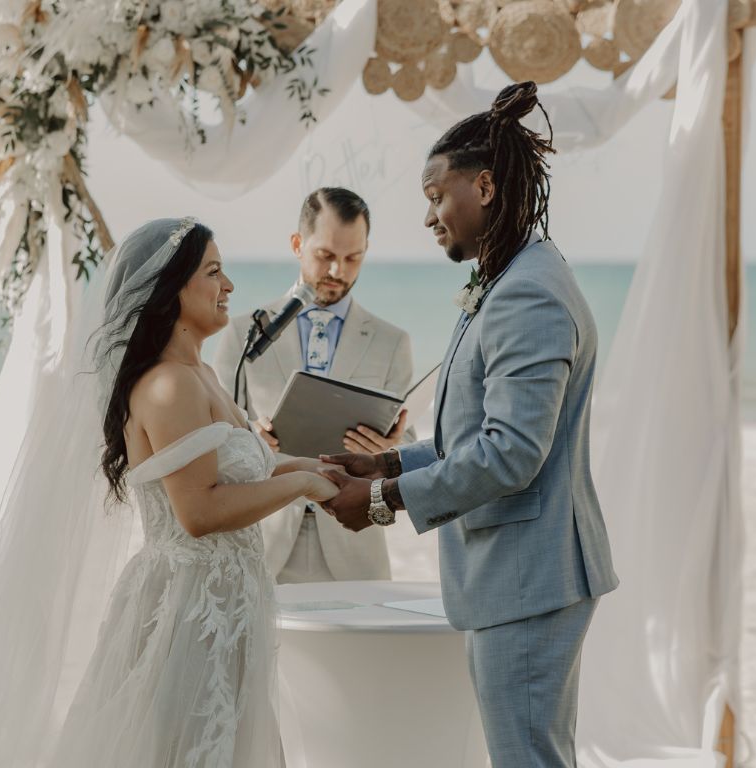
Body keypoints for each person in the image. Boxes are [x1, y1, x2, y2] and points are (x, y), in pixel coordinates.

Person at [0, 218, 337, 768]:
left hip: (230, 604)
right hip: (189, 608)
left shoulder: (203, 376)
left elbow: (255, 467)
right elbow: (198, 511)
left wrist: (332, 469)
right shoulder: (169, 385)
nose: (230, 287)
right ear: (170, 290)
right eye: (214, 272)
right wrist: (303, 485)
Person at [319, 83, 619, 768]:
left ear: (483, 186)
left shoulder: (529, 294)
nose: (428, 217)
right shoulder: (511, 274)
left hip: (530, 577)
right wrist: (389, 465)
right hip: (518, 575)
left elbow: (512, 455)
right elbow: (479, 439)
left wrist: (380, 504)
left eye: (435, 196)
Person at [213, 187, 415, 584]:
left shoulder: (394, 342)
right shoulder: (241, 333)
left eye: (353, 257)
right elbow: (214, 441)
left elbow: (408, 447)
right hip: (260, 539)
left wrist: (387, 450)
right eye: (325, 255)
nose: (338, 271)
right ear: (297, 244)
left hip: (354, 546)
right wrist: (250, 437)